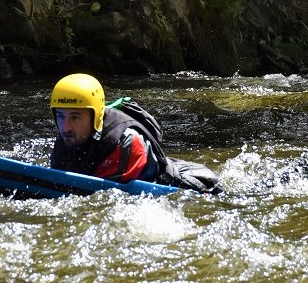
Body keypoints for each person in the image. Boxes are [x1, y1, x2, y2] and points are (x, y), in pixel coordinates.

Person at [49, 73, 224, 193]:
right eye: (61, 116)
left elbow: (103, 198)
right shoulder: (68, 135)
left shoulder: (127, 142)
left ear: (95, 116)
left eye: (75, 117)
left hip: (195, 185)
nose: (66, 127)